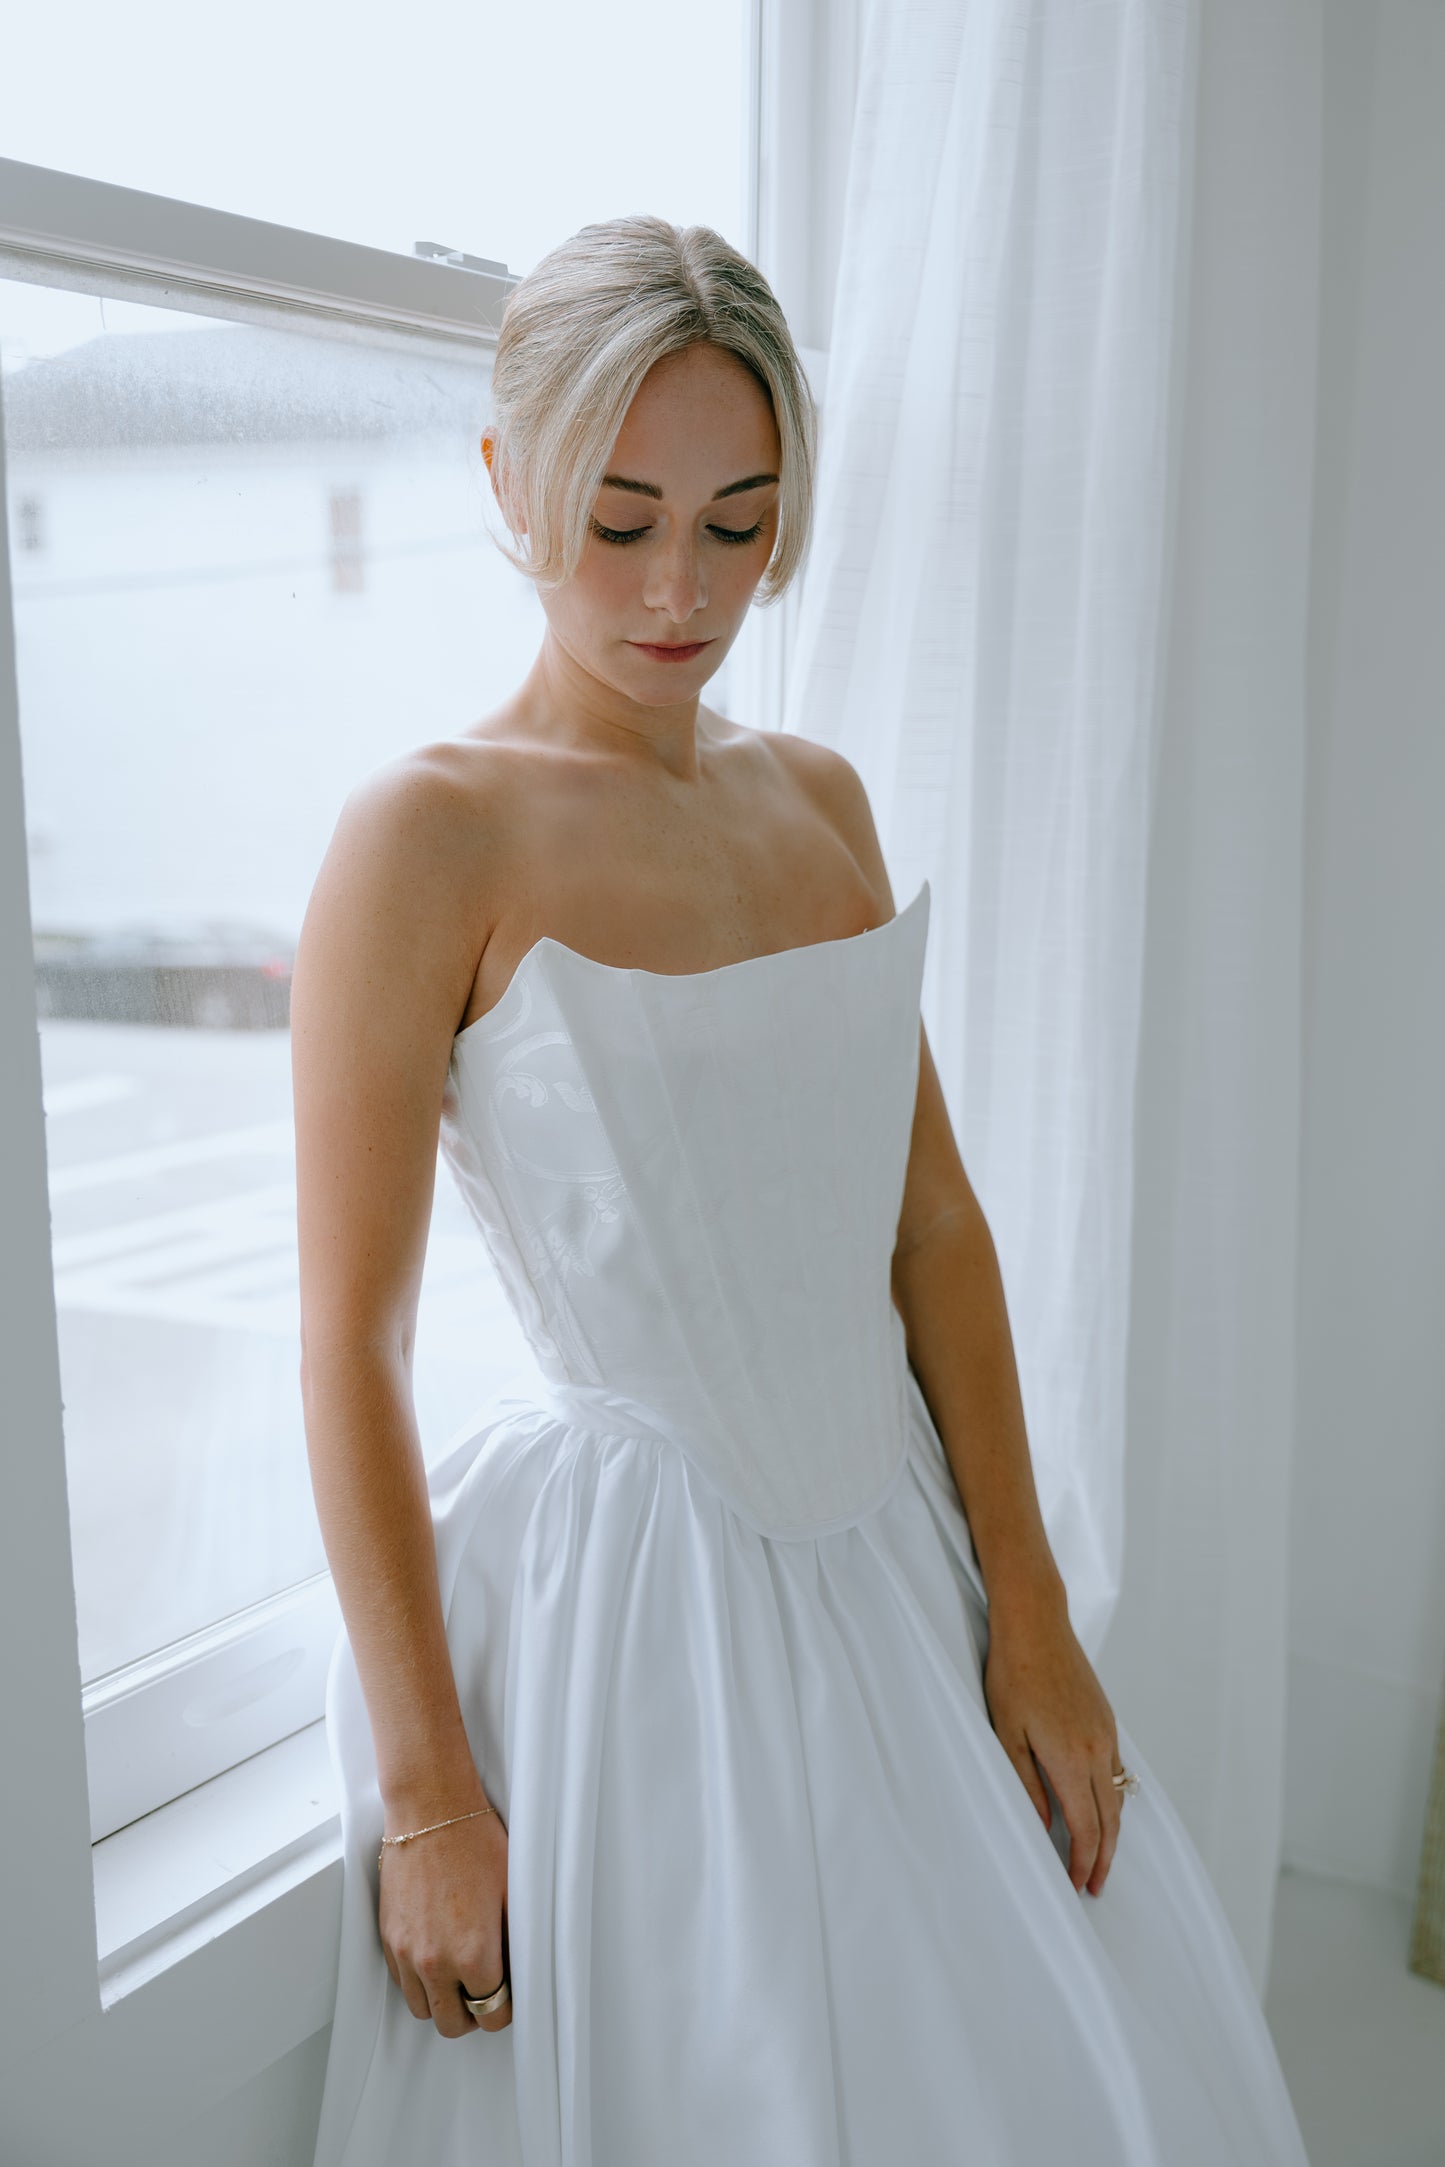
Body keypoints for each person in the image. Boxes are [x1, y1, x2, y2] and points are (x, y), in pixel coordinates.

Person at [295, 215, 1311, 2165]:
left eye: (740, 521)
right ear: (508, 482)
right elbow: (351, 1336)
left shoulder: (815, 797)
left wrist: (1030, 1604)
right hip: (639, 1606)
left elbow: (931, 1228)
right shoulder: (426, 832)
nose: (684, 587)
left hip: (900, 1560)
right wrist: (429, 1786)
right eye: (622, 517)